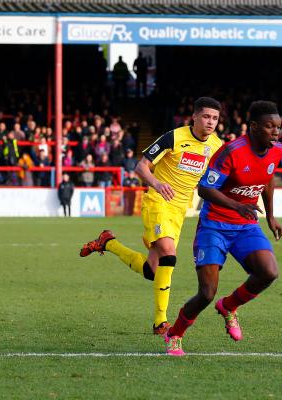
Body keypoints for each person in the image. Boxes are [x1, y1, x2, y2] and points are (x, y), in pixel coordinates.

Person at [79, 97, 223, 336]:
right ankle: (160, 323)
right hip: (158, 202)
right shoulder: (173, 137)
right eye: (206, 116)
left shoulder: (217, 146)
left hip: (179, 211)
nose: (210, 122)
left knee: (152, 271)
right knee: (169, 253)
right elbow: (141, 166)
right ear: (195, 117)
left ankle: (108, 242)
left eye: (215, 118)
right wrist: (157, 183)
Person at [163, 100, 282, 356]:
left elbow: (268, 180)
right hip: (214, 225)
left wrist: (271, 217)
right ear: (253, 126)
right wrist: (236, 205)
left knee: (269, 272)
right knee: (206, 293)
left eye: (278, 127)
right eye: (269, 126)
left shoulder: (277, 151)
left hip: (245, 226)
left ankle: (229, 306)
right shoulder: (231, 151)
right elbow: (205, 188)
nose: (276, 132)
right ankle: (174, 334)